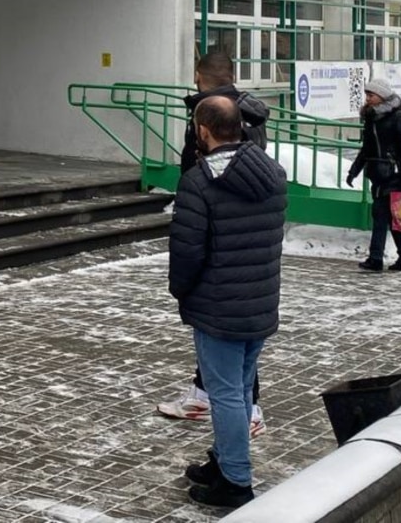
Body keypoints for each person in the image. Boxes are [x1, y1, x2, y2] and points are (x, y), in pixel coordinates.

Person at [169, 95, 287, 508]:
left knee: (226, 395)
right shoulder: (272, 173)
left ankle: (235, 481)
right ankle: (222, 460)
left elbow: (187, 252)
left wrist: (180, 290)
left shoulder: (199, 182)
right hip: (259, 301)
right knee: (239, 388)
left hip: (218, 308)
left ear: (203, 131)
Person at [158, 49, 270, 432]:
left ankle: (247, 410)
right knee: (222, 324)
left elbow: (211, 168)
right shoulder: (247, 111)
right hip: (242, 227)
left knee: (227, 323)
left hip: (220, 225)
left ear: (198, 75)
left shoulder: (216, 114)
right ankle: (204, 392)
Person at [347, 78, 401, 273]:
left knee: (385, 217)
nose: (367, 99)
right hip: (378, 174)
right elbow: (366, 149)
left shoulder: (398, 118)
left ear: (382, 96)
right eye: (367, 95)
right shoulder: (371, 118)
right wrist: (354, 171)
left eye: (371, 95)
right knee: (390, 218)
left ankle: (377, 258)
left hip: (395, 175)